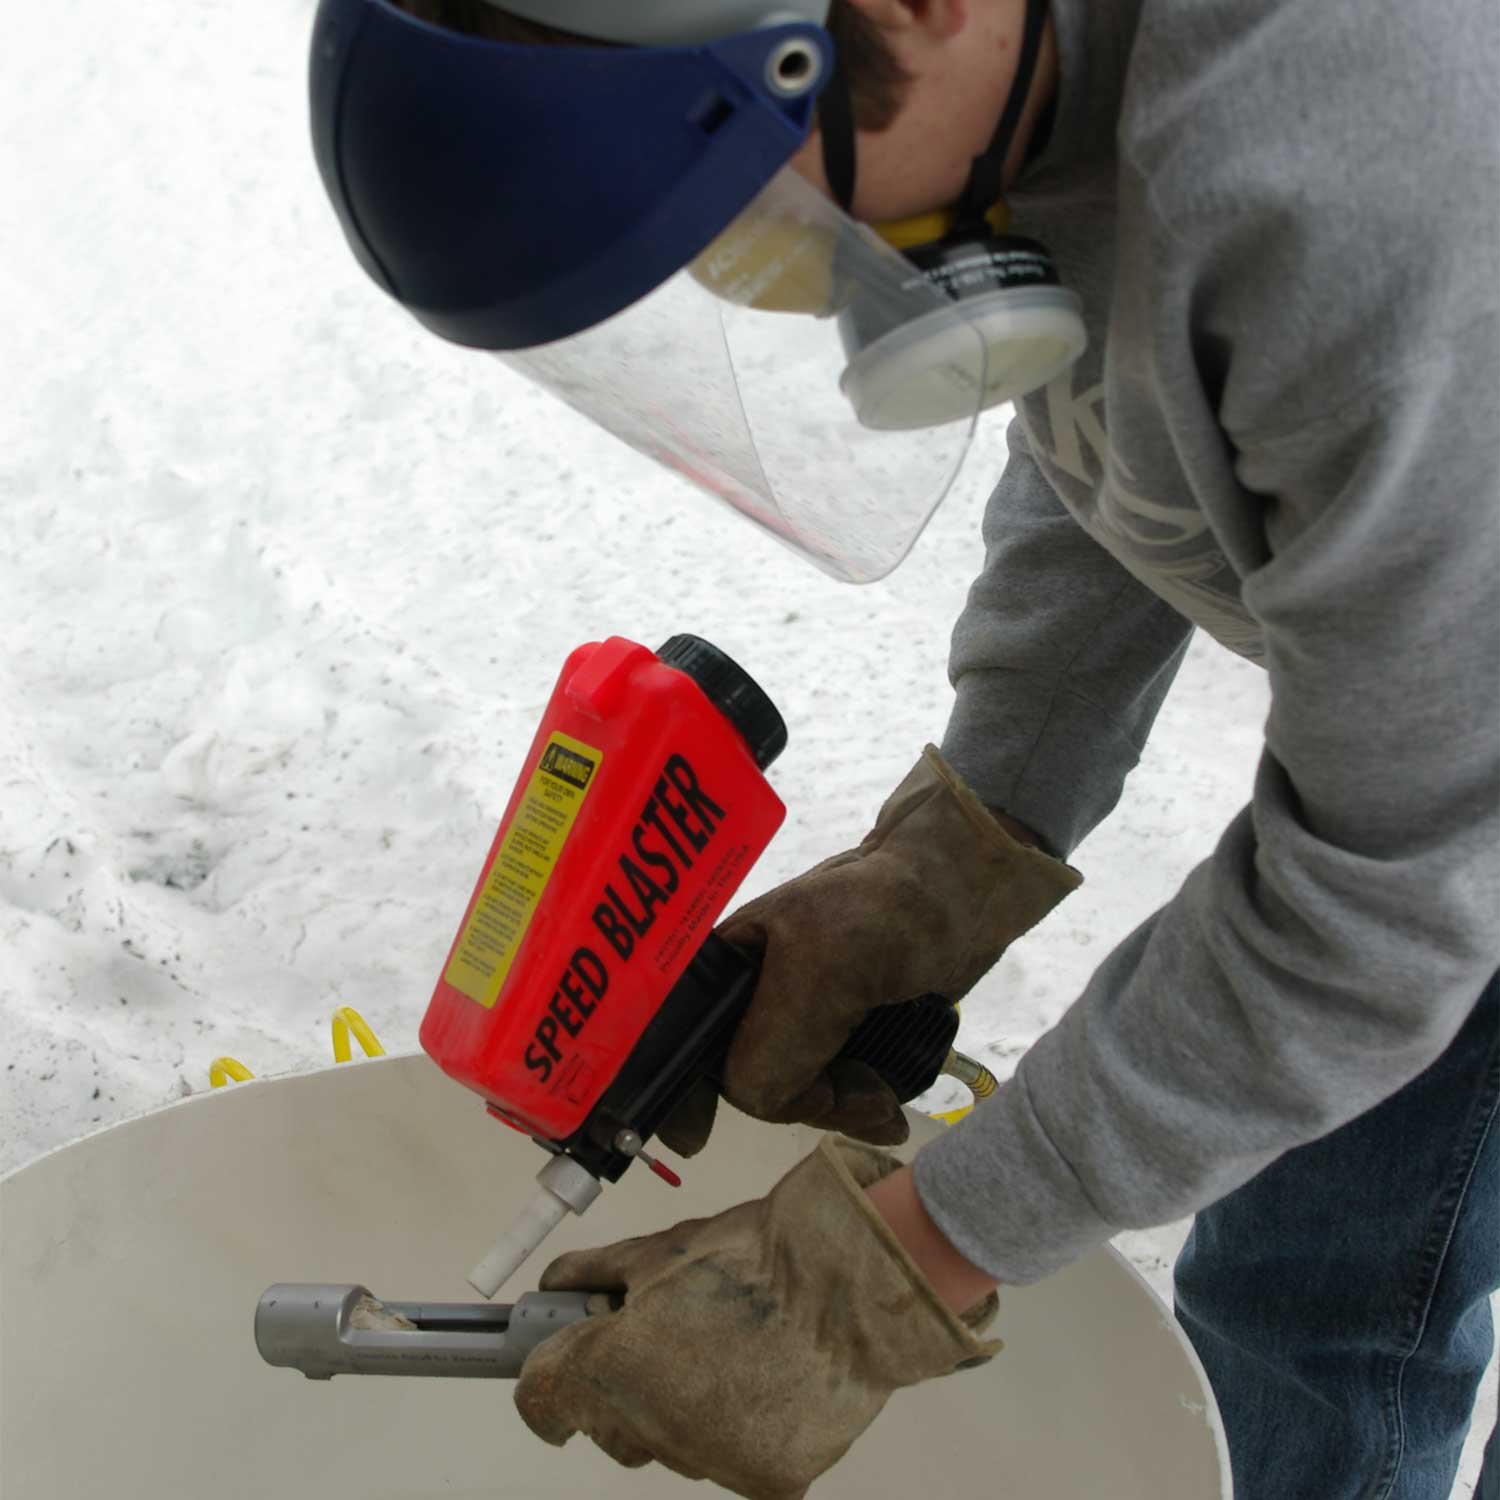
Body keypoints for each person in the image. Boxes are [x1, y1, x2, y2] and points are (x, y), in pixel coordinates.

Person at [306, 0, 1500, 1495]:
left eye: (753, 207)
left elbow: (1392, 895)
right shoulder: (1031, 92)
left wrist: (895, 1267)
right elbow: (1131, 439)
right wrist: (962, 852)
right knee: (1316, 1260)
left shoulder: (1353, 170)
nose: (775, 284)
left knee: (1326, 1280)